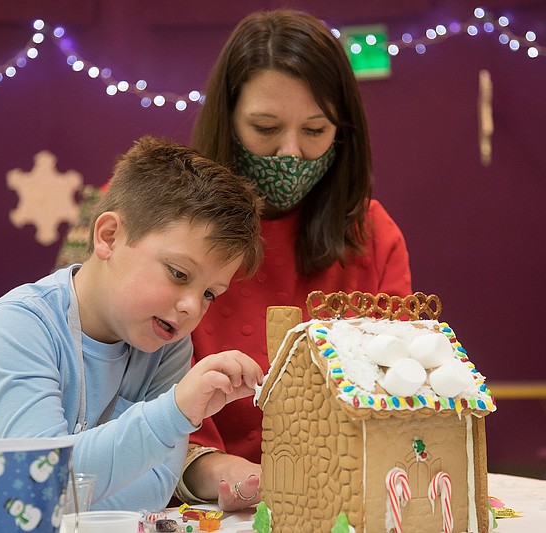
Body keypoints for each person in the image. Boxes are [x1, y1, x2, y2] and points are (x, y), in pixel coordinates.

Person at [0, 135, 265, 532]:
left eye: (210, 293)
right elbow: (40, 483)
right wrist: (174, 411)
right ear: (108, 236)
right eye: (179, 274)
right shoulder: (17, 326)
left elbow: (151, 492)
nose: (192, 307)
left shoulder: (167, 345)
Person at [176, 9, 412, 510]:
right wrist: (224, 473)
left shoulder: (371, 235)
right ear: (227, 119)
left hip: (349, 497)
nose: (290, 153)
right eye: (265, 127)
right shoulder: (175, 231)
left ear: (342, 133)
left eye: (315, 130)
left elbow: (398, 399)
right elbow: (137, 411)